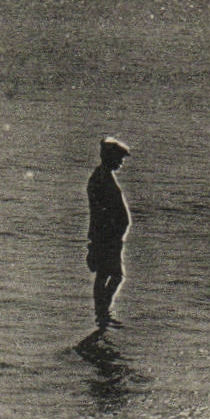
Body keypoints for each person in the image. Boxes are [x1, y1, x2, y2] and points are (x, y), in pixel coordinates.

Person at [86, 137, 132, 329]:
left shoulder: (102, 176)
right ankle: (103, 312)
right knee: (111, 275)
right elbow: (100, 213)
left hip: (110, 236)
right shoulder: (102, 179)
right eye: (119, 158)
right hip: (107, 237)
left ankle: (103, 312)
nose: (121, 162)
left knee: (107, 275)